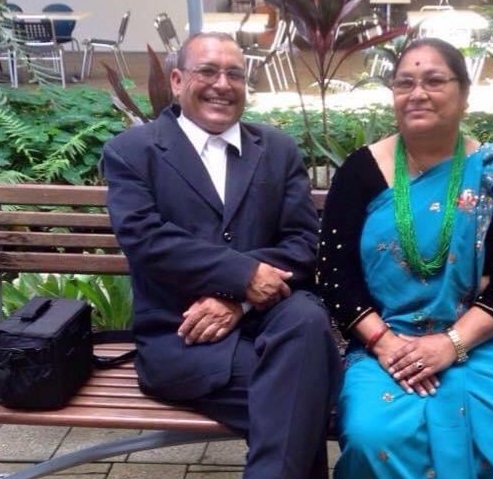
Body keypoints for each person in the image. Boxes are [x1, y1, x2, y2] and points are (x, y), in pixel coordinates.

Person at [317, 37, 493, 478]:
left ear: (464, 94)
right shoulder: (360, 171)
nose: (417, 93)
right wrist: (384, 345)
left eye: (434, 81)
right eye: (405, 83)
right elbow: (334, 274)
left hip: (481, 342)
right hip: (388, 344)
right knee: (374, 438)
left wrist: (451, 344)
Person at [102, 32, 342, 479]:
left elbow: (304, 242)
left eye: (235, 73)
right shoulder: (132, 152)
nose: (223, 84)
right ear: (176, 80)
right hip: (185, 334)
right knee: (302, 399)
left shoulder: (277, 149)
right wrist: (242, 273)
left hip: (275, 318)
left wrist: (241, 297)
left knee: (306, 320)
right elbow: (145, 239)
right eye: (207, 71)